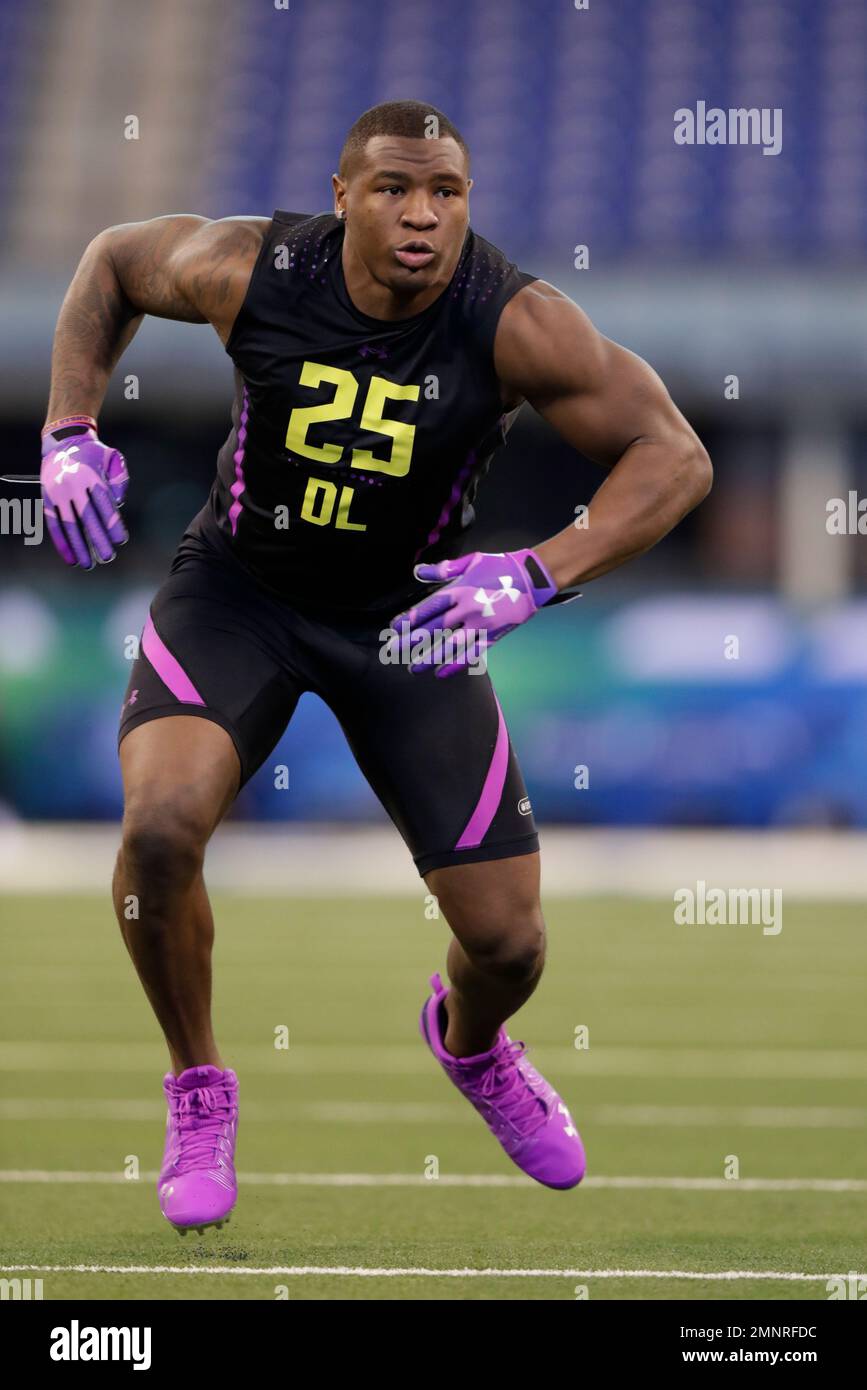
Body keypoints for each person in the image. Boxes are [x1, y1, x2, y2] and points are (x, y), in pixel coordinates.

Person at [40, 100, 712, 1232]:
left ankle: (473, 1044)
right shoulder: (250, 267)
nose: (423, 216)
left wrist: (543, 570)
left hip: (413, 618)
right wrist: (69, 431)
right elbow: (111, 261)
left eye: (446, 193)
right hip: (239, 595)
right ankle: (199, 1086)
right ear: (343, 195)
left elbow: (674, 456)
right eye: (396, 188)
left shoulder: (513, 319)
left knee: (508, 941)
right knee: (158, 832)